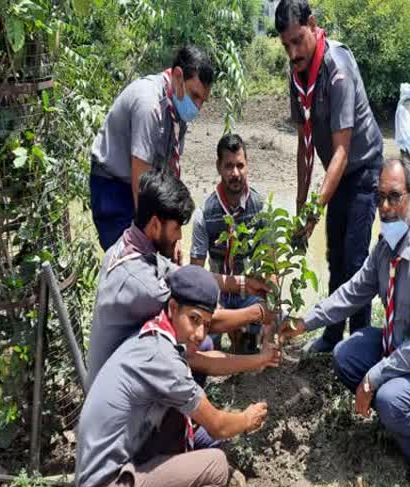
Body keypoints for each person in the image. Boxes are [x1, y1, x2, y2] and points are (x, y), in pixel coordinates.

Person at [281, 158, 410, 485]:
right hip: (398, 348)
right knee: (345, 355)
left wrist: (372, 380)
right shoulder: (386, 247)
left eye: (394, 197)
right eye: (379, 198)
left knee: (389, 397)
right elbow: (351, 293)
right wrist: (304, 322)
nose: (386, 207)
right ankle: (398, 412)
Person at [76, 265, 269, 487]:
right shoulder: (163, 360)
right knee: (216, 466)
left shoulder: (155, 331)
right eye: (194, 320)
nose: (199, 334)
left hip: (98, 478)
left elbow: (208, 361)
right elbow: (219, 426)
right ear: (174, 307)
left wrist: (258, 360)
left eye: (206, 325)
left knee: (198, 436)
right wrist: (246, 419)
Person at [86, 169, 276, 390]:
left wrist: (244, 284)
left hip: (123, 366)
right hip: (117, 392)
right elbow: (206, 321)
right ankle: (175, 419)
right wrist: (259, 314)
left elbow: (186, 277)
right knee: (194, 346)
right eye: (176, 228)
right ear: (156, 224)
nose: (179, 237)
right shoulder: (144, 286)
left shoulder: (129, 243)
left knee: (200, 343)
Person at [275, 0, 384, 353]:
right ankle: (332, 337)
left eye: (297, 40)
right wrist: (300, 207)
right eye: (285, 45)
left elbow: (341, 150)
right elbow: (304, 145)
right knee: (334, 255)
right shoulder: (297, 74)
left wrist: (313, 213)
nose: (293, 52)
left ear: (313, 24)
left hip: (363, 168)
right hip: (335, 174)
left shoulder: (337, 66)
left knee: (355, 262)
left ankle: (361, 344)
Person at [90, 46, 212, 251]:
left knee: (157, 257)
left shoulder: (177, 109)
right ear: (178, 76)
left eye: (203, 100)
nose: (198, 107)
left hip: (144, 187)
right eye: (195, 95)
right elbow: (141, 179)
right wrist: (150, 240)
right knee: (132, 260)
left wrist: (174, 235)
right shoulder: (149, 104)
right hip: (114, 188)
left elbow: (169, 174)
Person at [191, 134, 266, 353]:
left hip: (249, 292)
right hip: (216, 293)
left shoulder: (260, 207)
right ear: (218, 167)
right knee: (207, 348)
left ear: (247, 165)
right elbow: (196, 275)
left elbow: (270, 264)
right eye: (229, 166)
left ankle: (248, 342)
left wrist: (271, 310)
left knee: (253, 344)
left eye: (240, 165)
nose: (235, 173)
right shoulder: (204, 213)